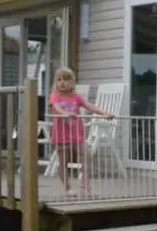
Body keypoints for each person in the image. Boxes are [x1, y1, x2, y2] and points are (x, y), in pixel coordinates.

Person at [48, 67, 113, 197]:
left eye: (66, 79)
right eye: (59, 79)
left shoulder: (76, 97)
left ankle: (86, 187)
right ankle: (67, 188)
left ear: (72, 82)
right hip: (62, 137)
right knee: (63, 163)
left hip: (77, 136)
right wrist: (65, 113)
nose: (62, 82)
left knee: (87, 154)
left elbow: (90, 106)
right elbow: (56, 107)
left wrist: (104, 113)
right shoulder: (55, 96)